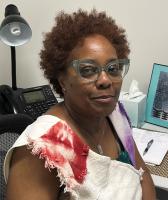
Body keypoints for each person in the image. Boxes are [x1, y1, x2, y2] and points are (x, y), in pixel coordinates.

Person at [4, 9, 156, 200]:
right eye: (88, 70)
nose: (105, 80)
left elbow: (142, 174)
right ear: (62, 80)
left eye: (113, 68)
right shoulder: (43, 148)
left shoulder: (116, 113)